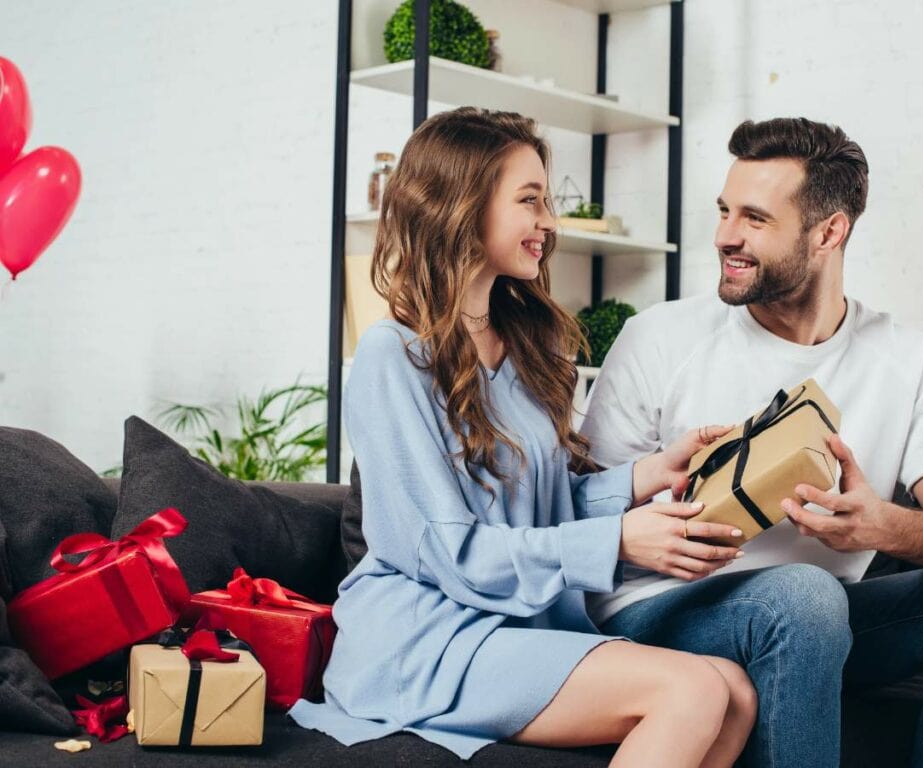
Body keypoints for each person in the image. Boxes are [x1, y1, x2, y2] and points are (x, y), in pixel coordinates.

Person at [289, 107, 757, 766]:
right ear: (463, 204)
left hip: (510, 624)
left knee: (734, 691)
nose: (548, 222)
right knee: (693, 691)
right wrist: (622, 538)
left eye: (546, 201)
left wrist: (648, 476)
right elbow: (451, 550)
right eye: (529, 200)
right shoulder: (392, 357)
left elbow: (540, 505)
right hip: (424, 635)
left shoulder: (529, 351)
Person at [580, 116, 923, 768]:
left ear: (828, 233)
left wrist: (880, 527)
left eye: (755, 219)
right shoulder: (660, 338)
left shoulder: (901, 356)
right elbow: (573, 507)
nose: (724, 236)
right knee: (804, 598)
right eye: (725, 210)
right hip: (656, 617)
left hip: (821, 621)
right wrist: (659, 516)